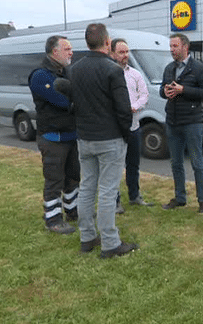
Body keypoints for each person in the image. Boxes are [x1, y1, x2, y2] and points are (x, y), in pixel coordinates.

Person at [68, 23, 138, 258]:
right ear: (108, 43)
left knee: (87, 187)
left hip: (85, 138)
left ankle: (87, 237)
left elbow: (74, 104)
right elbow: (122, 109)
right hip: (109, 139)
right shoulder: (113, 70)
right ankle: (110, 242)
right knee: (107, 191)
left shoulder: (75, 69)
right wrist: (127, 134)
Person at [28, 35, 79, 234]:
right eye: (67, 49)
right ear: (54, 51)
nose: (71, 52)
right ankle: (53, 219)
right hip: (52, 138)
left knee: (73, 178)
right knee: (54, 180)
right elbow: (63, 102)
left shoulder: (68, 72)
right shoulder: (41, 76)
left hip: (71, 135)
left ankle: (72, 211)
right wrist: (75, 100)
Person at [160, 33, 203, 213]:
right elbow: (162, 90)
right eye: (171, 46)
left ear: (185, 47)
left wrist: (184, 90)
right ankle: (180, 198)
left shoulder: (199, 69)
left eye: (175, 46)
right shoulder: (169, 68)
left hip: (192, 121)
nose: (172, 50)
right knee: (176, 163)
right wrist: (165, 92)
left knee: (197, 163)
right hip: (173, 121)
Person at [110, 38, 154, 212]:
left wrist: (135, 106)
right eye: (121, 52)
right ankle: (115, 201)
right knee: (114, 167)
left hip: (134, 127)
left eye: (127, 52)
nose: (125, 55)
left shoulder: (134, 74)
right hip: (115, 129)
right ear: (112, 53)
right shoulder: (108, 74)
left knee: (133, 165)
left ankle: (134, 196)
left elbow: (144, 94)